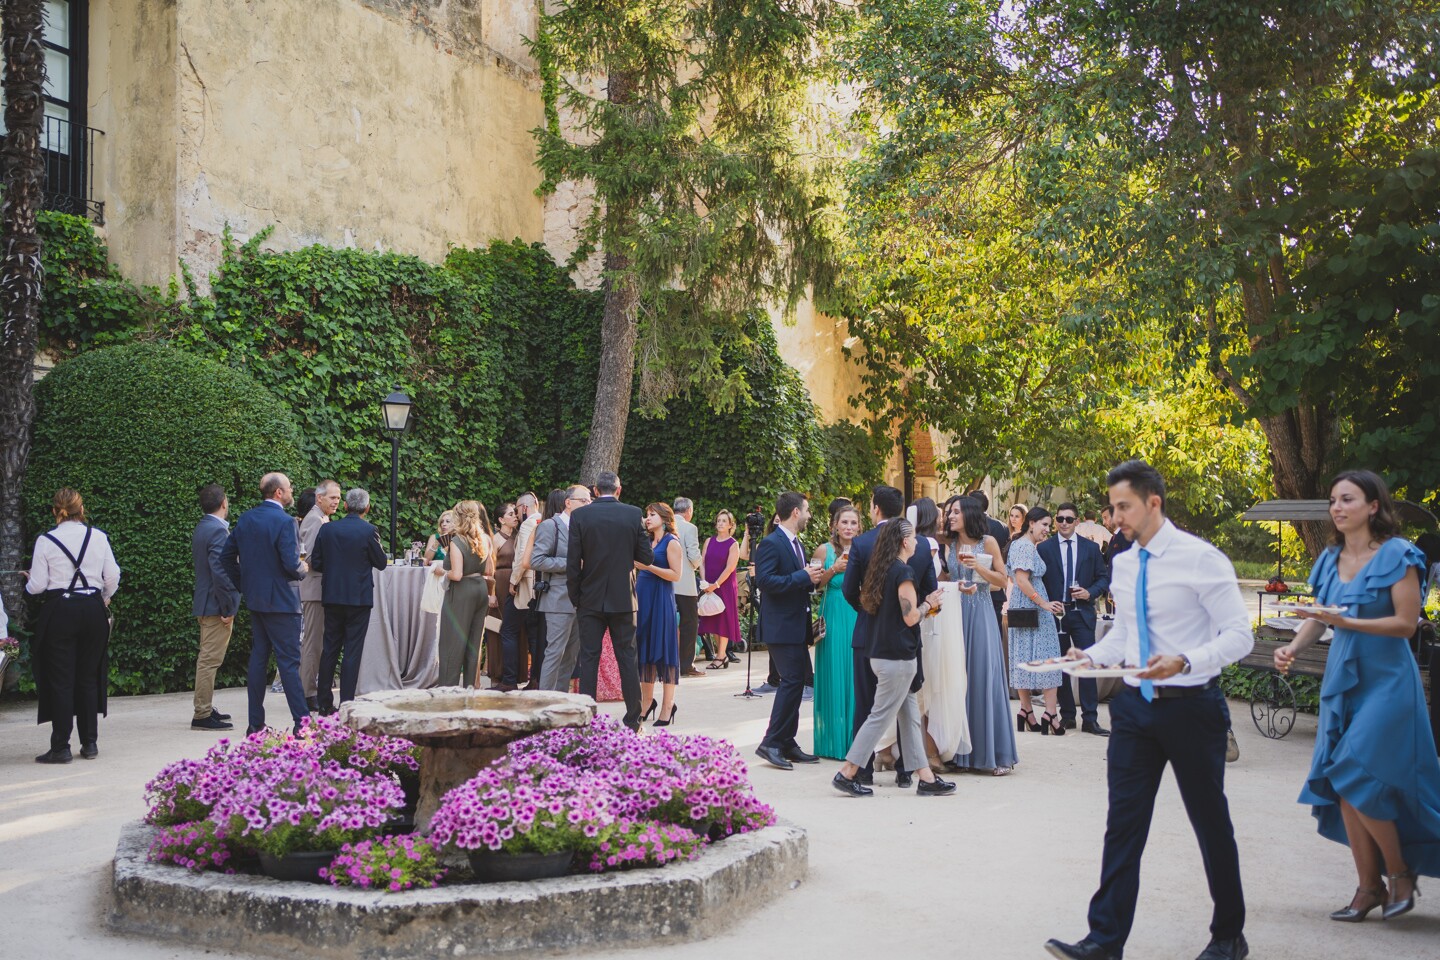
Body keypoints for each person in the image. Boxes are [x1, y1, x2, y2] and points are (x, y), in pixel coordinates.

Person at [1045, 459, 1252, 960]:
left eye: (1124, 507)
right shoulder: (1125, 562)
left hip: (1192, 708)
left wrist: (1186, 660)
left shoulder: (1202, 559)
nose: (1115, 517)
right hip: (1135, 711)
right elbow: (1124, 633)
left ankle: (1228, 935)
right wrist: (1088, 655)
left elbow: (1239, 636)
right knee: (1123, 822)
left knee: (1209, 821)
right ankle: (1104, 940)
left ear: (1153, 502)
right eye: (1113, 507)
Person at [1274, 469, 1439, 923]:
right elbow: (1321, 616)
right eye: (1332, 501)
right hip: (1343, 679)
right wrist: (1292, 646)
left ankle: (1401, 873)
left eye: (1347, 499)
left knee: (1356, 772)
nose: (1337, 507)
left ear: (1372, 506)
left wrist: (1349, 623)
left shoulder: (1399, 555)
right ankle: (1369, 887)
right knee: (1342, 779)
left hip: (1388, 680)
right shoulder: (1329, 559)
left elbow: (1406, 625)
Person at [832, 519, 954, 797]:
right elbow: (910, 616)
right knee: (878, 717)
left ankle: (925, 777)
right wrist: (930, 604)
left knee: (910, 718)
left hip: (881, 653)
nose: (917, 542)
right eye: (913, 538)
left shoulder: (881, 570)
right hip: (897, 657)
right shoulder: (904, 572)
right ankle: (847, 772)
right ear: (903, 542)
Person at [844, 485, 936, 783]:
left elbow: (850, 591)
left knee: (869, 705)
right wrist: (926, 607)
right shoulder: (918, 549)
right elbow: (929, 594)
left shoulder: (863, 543)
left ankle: (866, 774)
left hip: (869, 636)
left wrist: (872, 611)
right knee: (893, 710)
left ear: (875, 507)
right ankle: (903, 772)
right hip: (905, 641)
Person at [27, 488, 121, 763]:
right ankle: (90, 744)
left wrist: (28, 579)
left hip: (60, 611)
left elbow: (38, 586)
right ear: (82, 509)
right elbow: (113, 575)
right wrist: (103, 598)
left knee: (61, 680)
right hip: (92, 609)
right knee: (88, 677)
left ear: (56, 511)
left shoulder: (46, 541)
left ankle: (61, 747)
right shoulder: (98, 537)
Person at [220, 472, 310, 736]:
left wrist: (245, 585)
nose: (292, 490)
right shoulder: (285, 522)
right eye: (289, 487)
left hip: (257, 601)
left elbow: (226, 556)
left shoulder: (246, 518)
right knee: (289, 663)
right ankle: (302, 724)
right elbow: (291, 565)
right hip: (283, 602)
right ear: (278, 493)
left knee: (258, 660)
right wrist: (302, 568)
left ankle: (255, 725)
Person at [567, 471, 653, 729]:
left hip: (590, 597)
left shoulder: (580, 515)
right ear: (619, 489)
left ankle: (588, 719)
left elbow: (573, 562)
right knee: (627, 657)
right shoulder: (632, 513)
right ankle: (633, 720)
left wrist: (576, 596)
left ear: (594, 490)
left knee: (589, 658)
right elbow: (647, 558)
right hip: (624, 598)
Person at [945, 496, 1017, 775]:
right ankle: (963, 755)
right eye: (950, 512)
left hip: (982, 614)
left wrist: (978, 567)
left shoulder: (987, 542)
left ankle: (998, 754)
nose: (950, 516)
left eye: (955, 512)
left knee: (984, 677)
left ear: (969, 514)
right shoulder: (949, 545)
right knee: (958, 681)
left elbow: (1002, 581)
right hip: (956, 614)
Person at [752, 492, 824, 770]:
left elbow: (796, 582)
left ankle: (787, 742)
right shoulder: (772, 543)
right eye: (806, 510)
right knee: (792, 681)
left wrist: (810, 580)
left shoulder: (796, 544)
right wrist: (802, 576)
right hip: (780, 626)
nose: (808, 515)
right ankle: (770, 742)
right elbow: (765, 581)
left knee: (797, 683)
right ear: (795, 512)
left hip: (796, 623)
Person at [309, 487, 387, 712]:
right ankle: (346, 702)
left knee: (330, 648)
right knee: (352, 650)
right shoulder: (369, 530)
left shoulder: (328, 529)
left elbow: (317, 561)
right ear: (367, 507)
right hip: (359, 598)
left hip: (332, 595)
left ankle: (324, 703)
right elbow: (381, 562)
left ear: (345, 506)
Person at [1040, 502, 1111, 736]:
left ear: (1077, 522)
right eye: (1060, 519)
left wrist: (1089, 592)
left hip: (1082, 612)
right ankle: (1068, 715)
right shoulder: (1045, 548)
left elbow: (1103, 578)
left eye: (1069, 519)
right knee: (1061, 666)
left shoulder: (1091, 548)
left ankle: (1090, 718)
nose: (1063, 523)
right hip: (1056, 614)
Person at [1008, 506, 1065, 736]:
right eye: (1044, 524)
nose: (1047, 530)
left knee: (1023, 656)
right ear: (1031, 523)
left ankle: (1026, 711)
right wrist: (1043, 603)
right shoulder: (1023, 545)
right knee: (1049, 656)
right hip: (1033, 608)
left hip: (1023, 608)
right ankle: (1050, 713)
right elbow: (1021, 579)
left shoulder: (1023, 545)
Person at [812, 505, 860, 760]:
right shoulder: (824, 550)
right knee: (833, 671)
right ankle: (831, 741)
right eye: (844, 522)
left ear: (859, 526)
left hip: (856, 614)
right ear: (835, 525)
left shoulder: (864, 550)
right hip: (832, 612)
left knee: (854, 675)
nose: (849, 527)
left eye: (853, 523)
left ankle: (855, 741)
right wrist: (833, 570)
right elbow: (814, 585)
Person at [190, 484, 238, 731]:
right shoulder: (218, 531)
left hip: (206, 602)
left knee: (208, 659)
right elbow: (221, 572)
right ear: (224, 503)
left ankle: (206, 706)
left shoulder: (203, 527)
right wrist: (228, 607)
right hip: (215, 606)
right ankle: (202, 713)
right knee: (209, 660)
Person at [438, 500, 494, 687]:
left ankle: (448, 690)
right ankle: (470, 689)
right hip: (480, 589)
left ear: (458, 518)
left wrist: (441, 572)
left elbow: (457, 574)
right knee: (473, 644)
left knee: (451, 643)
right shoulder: (485, 539)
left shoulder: (457, 541)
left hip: (461, 591)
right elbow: (489, 570)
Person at [531, 488, 583, 690]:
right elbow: (537, 560)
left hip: (580, 600)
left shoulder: (582, 527)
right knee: (555, 653)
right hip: (557, 598)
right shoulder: (549, 526)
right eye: (584, 500)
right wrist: (572, 563)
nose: (589, 504)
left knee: (570, 657)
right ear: (568, 503)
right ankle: (545, 701)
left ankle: (561, 702)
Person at [636, 502, 682, 725]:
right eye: (646, 515)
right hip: (643, 597)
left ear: (664, 518)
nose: (648, 518)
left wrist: (648, 567)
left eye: (652, 514)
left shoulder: (671, 542)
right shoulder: (645, 541)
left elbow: (676, 575)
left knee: (663, 650)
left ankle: (667, 706)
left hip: (661, 599)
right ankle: (646, 702)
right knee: (644, 649)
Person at [298, 479, 341, 713]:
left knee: (319, 643)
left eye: (338, 497)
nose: (337, 501)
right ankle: (307, 693)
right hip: (314, 589)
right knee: (313, 644)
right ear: (319, 498)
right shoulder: (314, 519)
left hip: (320, 589)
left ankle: (311, 690)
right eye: (332, 497)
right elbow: (311, 557)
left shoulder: (322, 518)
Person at [699, 509, 743, 669]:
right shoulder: (709, 541)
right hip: (708, 584)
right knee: (712, 619)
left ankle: (720, 655)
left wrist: (716, 584)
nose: (720, 523)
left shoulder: (733, 544)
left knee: (723, 620)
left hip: (724, 586)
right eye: (719, 520)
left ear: (731, 525)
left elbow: (730, 567)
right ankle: (722, 655)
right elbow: (702, 562)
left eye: (724, 521)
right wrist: (704, 581)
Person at [512, 492, 546, 689]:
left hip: (528, 584)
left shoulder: (527, 525)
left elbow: (522, 557)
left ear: (524, 508)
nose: (516, 514)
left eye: (517, 509)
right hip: (541, 582)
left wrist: (513, 581)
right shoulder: (545, 521)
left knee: (521, 631)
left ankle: (527, 679)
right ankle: (537, 678)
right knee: (537, 634)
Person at [489, 501, 523, 690]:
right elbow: (490, 569)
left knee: (517, 630)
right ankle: (498, 675)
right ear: (501, 519)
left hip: (517, 585)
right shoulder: (496, 540)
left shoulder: (519, 537)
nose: (515, 516)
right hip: (500, 585)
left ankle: (515, 675)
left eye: (514, 513)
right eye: (510, 514)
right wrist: (492, 594)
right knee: (498, 630)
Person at [966, 489, 1011, 630]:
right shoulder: (1002, 527)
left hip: (974, 588)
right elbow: (1005, 555)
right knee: (994, 632)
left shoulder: (968, 526)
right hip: (996, 588)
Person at [672, 497, 705, 677]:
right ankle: (685, 665)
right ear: (688, 511)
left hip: (666, 582)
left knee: (665, 623)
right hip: (685, 584)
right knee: (689, 623)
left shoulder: (663, 524)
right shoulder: (689, 528)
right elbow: (693, 555)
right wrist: (697, 563)